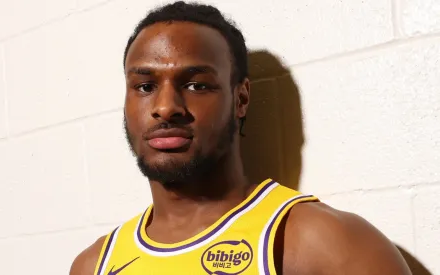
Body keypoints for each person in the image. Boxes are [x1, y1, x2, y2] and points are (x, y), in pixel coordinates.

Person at [70, 1, 412, 274]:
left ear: (241, 99)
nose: (165, 107)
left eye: (196, 85)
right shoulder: (94, 264)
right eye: (145, 87)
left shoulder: (325, 247)